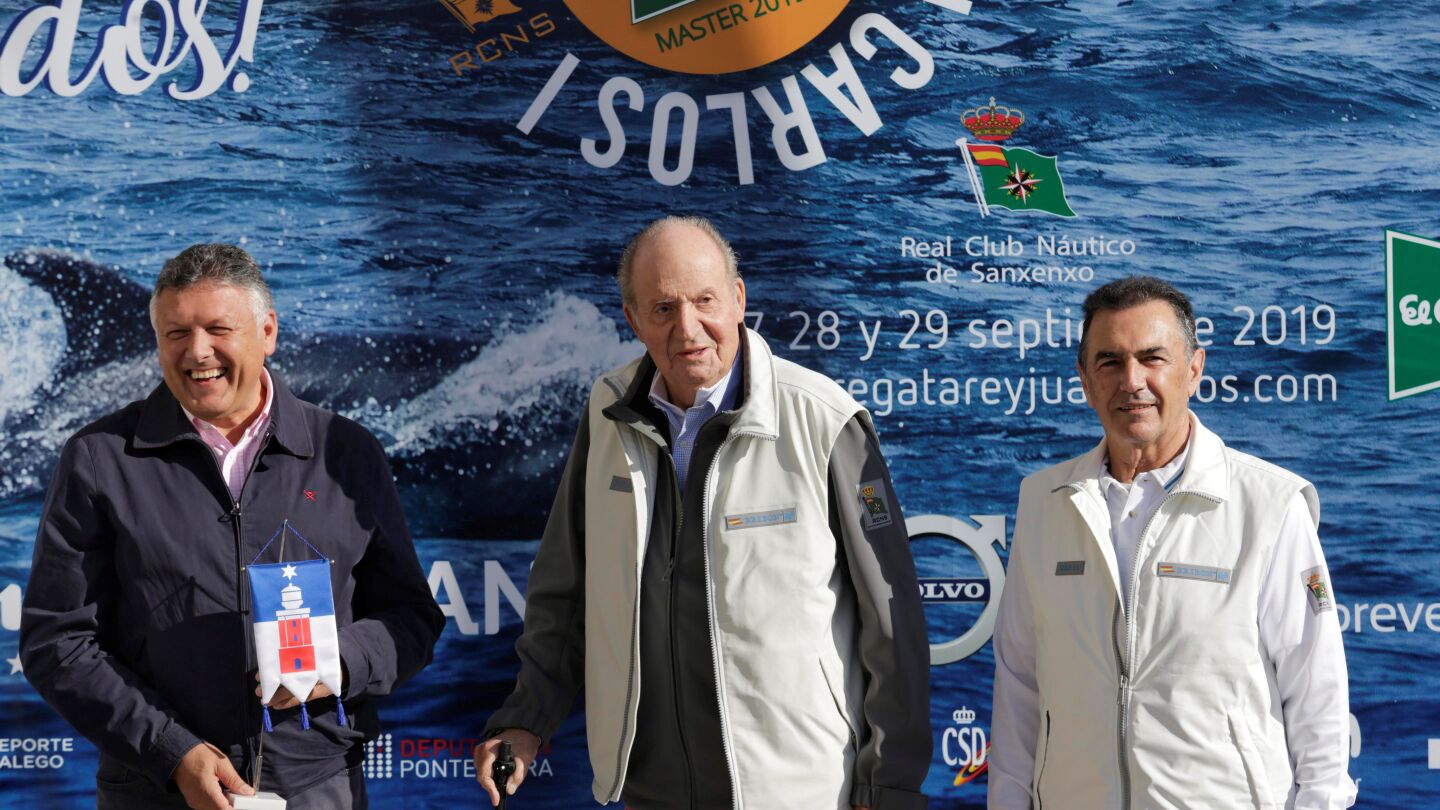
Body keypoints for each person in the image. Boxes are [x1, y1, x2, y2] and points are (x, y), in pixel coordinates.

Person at [473, 216, 931, 810]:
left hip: (795, 791)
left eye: (705, 301)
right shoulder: (608, 413)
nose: (687, 328)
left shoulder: (824, 419)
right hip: (651, 790)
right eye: (663, 309)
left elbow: (893, 621)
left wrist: (889, 782)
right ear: (633, 320)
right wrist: (526, 718)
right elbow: (566, 590)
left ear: (738, 300)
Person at [20, 244, 444, 810]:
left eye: (218, 329)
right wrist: (172, 752)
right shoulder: (98, 458)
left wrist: (343, 661)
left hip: (317, 786)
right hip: (157, 790)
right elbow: (58, 642)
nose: (198, 351)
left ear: (267, 332)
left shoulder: (347, 452)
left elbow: (412, 618)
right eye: (176, 333)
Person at [988, 276, 1355, 809]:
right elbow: (1019, 685)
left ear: (1194, 370)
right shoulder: (1044, 503)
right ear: (1085, 380)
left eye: (1152, 358)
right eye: (1110, 362)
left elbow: (1316, 690)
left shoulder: (1269, 505)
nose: (1131, 380)